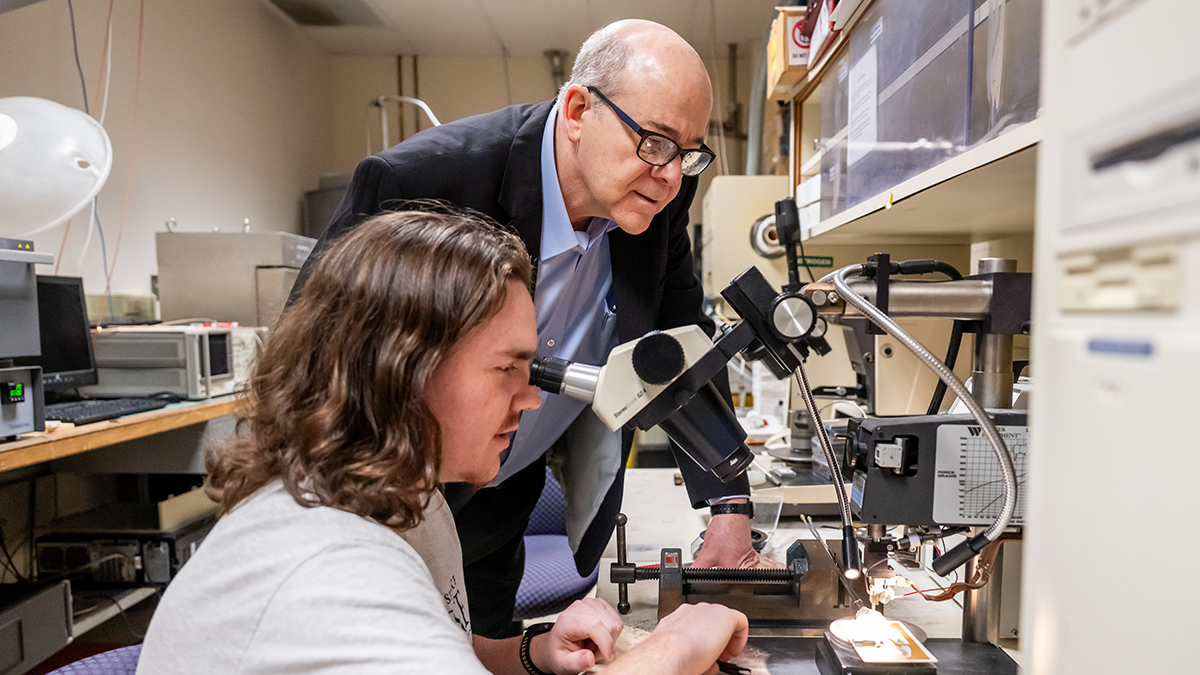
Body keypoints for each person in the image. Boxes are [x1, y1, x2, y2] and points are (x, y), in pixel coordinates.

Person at [297, 19, 776, 639]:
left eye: (689, 154)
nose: (671, 175)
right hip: (381, 510)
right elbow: (312, 371)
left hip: (501, 504)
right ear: (578, 109)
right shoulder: (423, 183)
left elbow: (677, 349)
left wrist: (730, 508)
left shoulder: (655, 197)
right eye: (655, 142)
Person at [136, 210, 749, 675]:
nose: (532, 400)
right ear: (406, 369)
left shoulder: (408, 498)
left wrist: (534, 652)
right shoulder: (326, 564)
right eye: (507, 369)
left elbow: (448, 645)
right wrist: (675, 645)